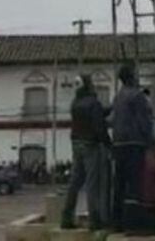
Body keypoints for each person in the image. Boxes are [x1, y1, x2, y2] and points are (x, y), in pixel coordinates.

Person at [61, 74, 111, 230]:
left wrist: (109, 108)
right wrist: (109, 144)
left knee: (74, 182)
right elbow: (99, 126)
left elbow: (95, 112)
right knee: (92, 183)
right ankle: (94, 220)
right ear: (89, 85)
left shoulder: (75, 103)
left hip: (76, 144)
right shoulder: (93, 103)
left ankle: (66, 218)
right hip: (91, 145)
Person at [110, 63, 155, 233]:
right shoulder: (137, 96)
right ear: (132, 77)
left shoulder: (118, 96)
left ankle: (117, 222)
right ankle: (134, 224)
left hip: (118, 144)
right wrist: (151, 141)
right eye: (136, 74)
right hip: (134, 143)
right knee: (135, 185)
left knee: (119, 184)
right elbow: (144, 122)